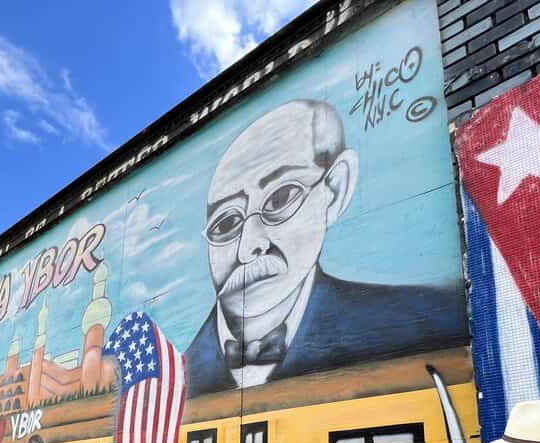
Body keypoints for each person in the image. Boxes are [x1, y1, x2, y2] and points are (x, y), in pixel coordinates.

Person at [184, 98, 468, 396]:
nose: (248, 248)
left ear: (335, 189)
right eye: (226, 223)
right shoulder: (167, 380)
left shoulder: (431, 322)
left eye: (280, 199)